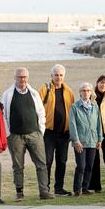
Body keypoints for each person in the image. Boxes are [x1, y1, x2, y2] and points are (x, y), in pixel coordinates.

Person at [1, 67, 54, 200]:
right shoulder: (8, 94)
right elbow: (3, 116)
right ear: (15, 78)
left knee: (41, 164)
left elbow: (41, 113)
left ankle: (44, 192)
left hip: (34, 135)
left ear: (27, 78)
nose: (22, 79)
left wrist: (40, 131)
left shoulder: (34, 93)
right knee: (18, 166)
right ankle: (19, 192)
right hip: (15, 136)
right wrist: (8, 134)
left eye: (24, 77)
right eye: (19, 77)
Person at [38, 64, 74, 197]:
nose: (58, 77)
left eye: (61, 75)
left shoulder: (69, 91)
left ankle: (59, 188)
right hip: (48, 133)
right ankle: (45, 189)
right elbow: (37, 109)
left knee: (62, 161)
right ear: (51, 76)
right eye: (56, 75)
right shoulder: (44, 89)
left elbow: (73, 112)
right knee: (47, 160)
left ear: (64, 76)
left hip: (64, 133)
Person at [69, 82, 103, 196]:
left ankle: (85, 188)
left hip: (93, 140)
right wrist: (76, 141)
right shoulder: (75, 107)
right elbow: (72, 125)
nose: (86, 92)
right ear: (80, 92)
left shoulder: (95, 106)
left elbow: (99, 124)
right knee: (81, 166)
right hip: (80, 142)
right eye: (83, 90)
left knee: (89, 166)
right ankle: (77, 189)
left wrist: (99, 139)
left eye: (88, 90)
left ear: (91, 92)